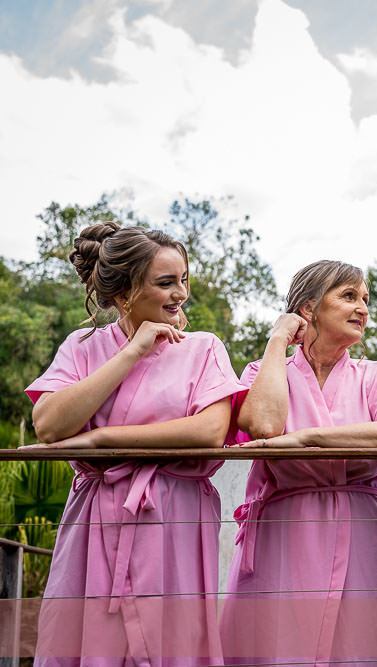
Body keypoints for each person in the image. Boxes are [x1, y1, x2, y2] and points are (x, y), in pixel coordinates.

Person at [23, 221, 244, 665]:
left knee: (174, 640)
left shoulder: (204, 347)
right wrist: (132, 352)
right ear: (124, 295)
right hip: (98, 515)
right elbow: (48, 423)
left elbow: (208, 431)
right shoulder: (83, 347)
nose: (180, 293)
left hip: (176, 514)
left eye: (183, 279)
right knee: (91, 637)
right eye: (166, 283)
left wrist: (102, 438)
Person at [221, 260, 377, 665]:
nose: (363, 308)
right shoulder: (263, 373)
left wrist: (307, 439)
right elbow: (263, 425)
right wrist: (278, 339)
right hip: (284, 532)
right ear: (309, 309)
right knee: (279, 647)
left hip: (366, 532)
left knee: (367, 647)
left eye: (365, 298)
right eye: (349, 296)